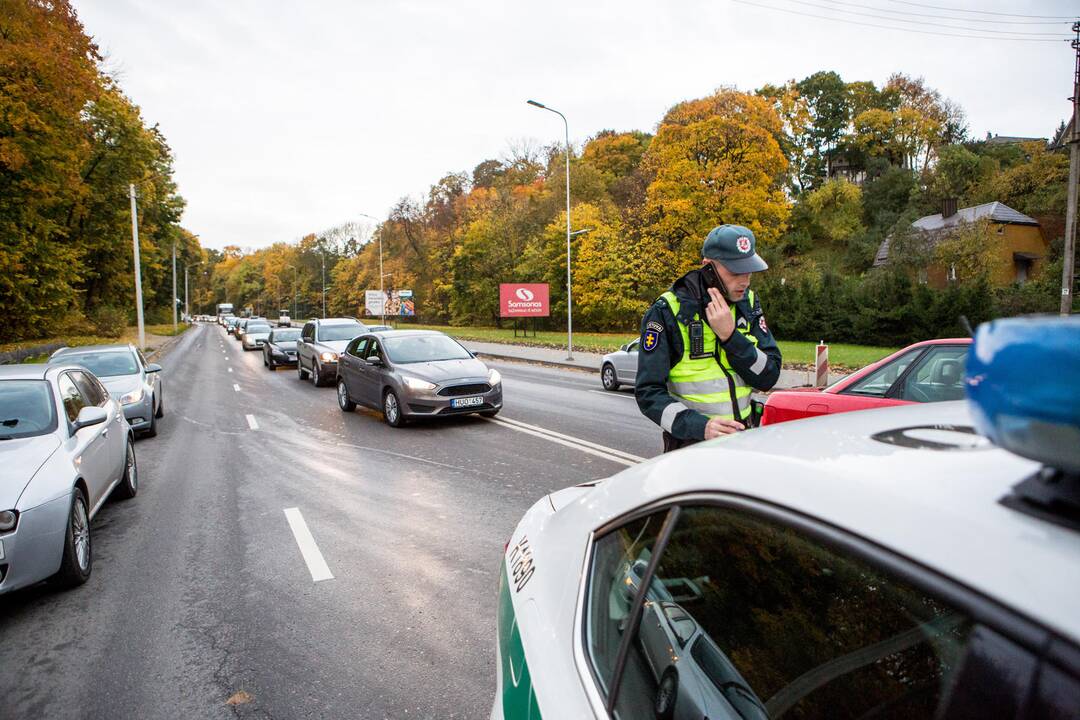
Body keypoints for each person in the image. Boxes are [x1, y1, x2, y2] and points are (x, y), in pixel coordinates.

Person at [635, 224, 782, 452]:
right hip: (691, 447)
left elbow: (768, 377)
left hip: (744, 441)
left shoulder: (748, 303)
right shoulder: (667, 310)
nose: (745, 281)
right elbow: (648, 393)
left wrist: (730, 337)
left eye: (748, 270)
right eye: (735, 272)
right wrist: (700, 427)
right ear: (708, 267)